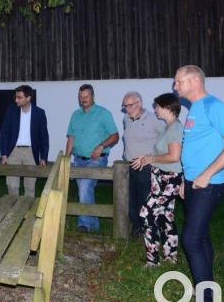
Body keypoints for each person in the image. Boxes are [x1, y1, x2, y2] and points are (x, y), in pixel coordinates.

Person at [173, 65, 224, 302]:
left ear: (193, 81)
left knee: (191, 239)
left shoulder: (215, 106)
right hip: (193, 183)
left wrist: (208, 173)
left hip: (209, 184)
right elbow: (194, 147)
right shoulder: (194, 109)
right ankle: (208, 289)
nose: (175, 86)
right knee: (200, 237)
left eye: (178, 81)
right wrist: (185, 178)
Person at [130, 93, 183, 268]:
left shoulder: (175, 128)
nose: (155, 110)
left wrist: (149, 159)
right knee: (166, 217)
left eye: (157, 106)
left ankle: (153, 261)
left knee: (146, 213)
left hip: (170, 180)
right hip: (160, 178)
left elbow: (175, 157)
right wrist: (148, 159)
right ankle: (170, 256)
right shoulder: (169, 127)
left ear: (167, 108)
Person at [65, 83, 119, 233]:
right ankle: (94, 224)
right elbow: (71, 138)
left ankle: (84, 225)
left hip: (96, 160)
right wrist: (66, 158)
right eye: (81, 97)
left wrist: (101, 146)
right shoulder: (75, 115)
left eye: (86, 96)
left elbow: (115, 136)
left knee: (84, 187)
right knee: (86, 191)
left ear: (93, 96)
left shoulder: (103, 113)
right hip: (78, 160)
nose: (83, 99)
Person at [121, 91, 166, 240]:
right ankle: (138, 230)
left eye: (131, 105)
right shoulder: (126, 119)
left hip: (146, 167)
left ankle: (152, 232)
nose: (128, 108)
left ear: (139, 103)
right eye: (125, 106)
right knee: (131, 200)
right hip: (129, 166)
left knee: (146, 200)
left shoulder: (154, 119)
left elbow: (167, 139)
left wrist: (152, 158)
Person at [0, 85, 49, 197]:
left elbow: (44, 137)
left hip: (31, 153)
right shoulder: (11, 111)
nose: (16, 100)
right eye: (16, 97)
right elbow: (4, 133)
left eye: (19, 97)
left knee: (30, 187)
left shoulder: (39, 113)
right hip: (13, 152)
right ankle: (13, 212)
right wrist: (4, 154)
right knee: (12, 185)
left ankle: (28, 213)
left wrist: (44, 157)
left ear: (28, 98)